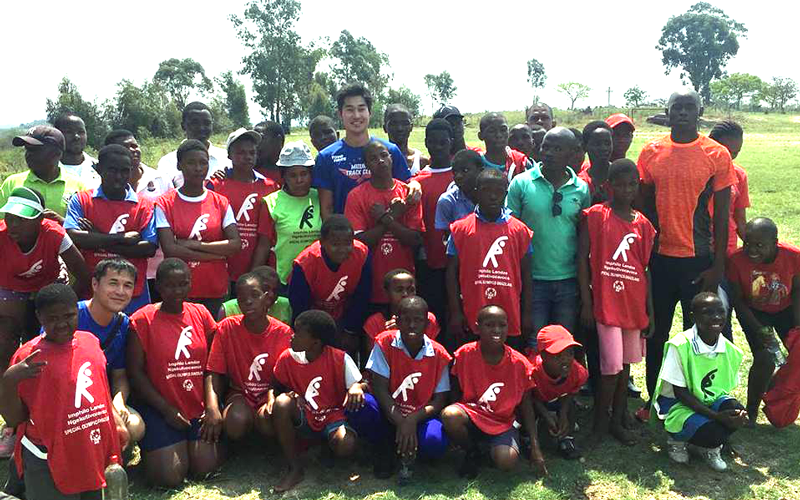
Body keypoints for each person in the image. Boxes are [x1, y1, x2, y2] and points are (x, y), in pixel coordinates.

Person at [636, 89, 735, 419]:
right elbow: (644, 208)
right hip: (661, 261)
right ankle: (656, 401)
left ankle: (700, 402)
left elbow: (722, 216)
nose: (682, 112)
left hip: (699, 262)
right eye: (676, 107)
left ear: (699, 111)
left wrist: (718, 264)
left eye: (688, 107)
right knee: (658, 334)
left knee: (699, 338)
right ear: (667, 111)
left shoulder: (716, 154)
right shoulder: (651, 152)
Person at [0, 283, 127, 500]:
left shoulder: (90, 343)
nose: (62, 324)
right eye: (52, 318)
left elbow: (99, 391)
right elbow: (15, 417)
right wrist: (10, 380)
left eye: (68, 316)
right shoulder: (28, 357)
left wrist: (114, 422)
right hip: (46, 457)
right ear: (39, 317)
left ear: (77, 311)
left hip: (88, 449)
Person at [578, 159, 655, 445]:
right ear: (608, 186)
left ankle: (618, 420)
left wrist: (650, 311)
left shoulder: (644, 225)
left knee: (625, 368)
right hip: (606, 305)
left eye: (631, 184)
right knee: (610, 367)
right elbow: (582, 260)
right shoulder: (596, 215)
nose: (626, 190)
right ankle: (600, 424)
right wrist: (587, 301)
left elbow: (645, 271)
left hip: (633, 307)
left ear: (637, 187)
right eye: (619, 184)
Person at [127, 258, 222, 487]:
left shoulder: (200, 313)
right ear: (158, 286)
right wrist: (166, 410)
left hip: (197, 405)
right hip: (160, 407)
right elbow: (135, 372)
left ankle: (198, 445)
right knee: (169, 478)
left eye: (183, 284)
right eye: (170, 285)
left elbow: (213, 365)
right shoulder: (143, 319)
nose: (177, 291)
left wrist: (212, 406)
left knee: (204, 469)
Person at [507, 127, 591, 346]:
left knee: (563, 344)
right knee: (535, 343)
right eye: (546, 146)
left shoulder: (581, 189)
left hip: (568, 281)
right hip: (532, 280)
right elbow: (510, 233)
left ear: (573, 154)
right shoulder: (521, 184)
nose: (549, 153)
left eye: (557, 148)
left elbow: (584, 237)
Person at [441, 305, 545, 478]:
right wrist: (455, 433)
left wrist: (536, 446)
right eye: (489, 325)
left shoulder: (519, 363)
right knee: (450, 415)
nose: (496, 330)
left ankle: (490, 447)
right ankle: (471, 451)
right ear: (477, 327)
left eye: (502, 325)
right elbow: (455, 391)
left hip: (502, 422)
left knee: (506, 462)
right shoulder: (464, 354)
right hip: (472, 414)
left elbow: (527, 406)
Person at [272, 310, 368, 492]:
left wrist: (356, 387)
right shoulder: (288, 357)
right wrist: (291, 392)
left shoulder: (339, 358)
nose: (292, 336)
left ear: (315, 342)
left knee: (346, 444)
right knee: (281, 403)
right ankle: (295, 468)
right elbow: (276, 386)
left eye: (298, 334)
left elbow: (362, 383)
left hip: (333, 417)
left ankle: (327, 448)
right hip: (305, 415)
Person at [652, 292, 747, 471]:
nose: (716, 317)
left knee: (737, 413)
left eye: (720, 312)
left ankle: (708, 444)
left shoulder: (731, 350)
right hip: (678, 404)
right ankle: (677, 440)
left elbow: (721, 390)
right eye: (707, 312)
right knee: (715, 432)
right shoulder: (679, 345)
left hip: (707, 401)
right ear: (692, 317)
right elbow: (680, 393)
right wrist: (716, 417)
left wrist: (727, 416)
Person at [364, 296, 452, 482]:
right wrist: (401, 421)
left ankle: (410, 450)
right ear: (397, 321)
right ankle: (384, 449)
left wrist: (412, 419)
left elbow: (439, 400)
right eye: (406, 319)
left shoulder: (439, 354)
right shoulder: (384, 342)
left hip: (419, 415)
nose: (412, 325)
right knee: (362, 405)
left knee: (435, 442)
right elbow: (380, 388)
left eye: (418, 320)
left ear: (427, 323)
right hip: (388, 411)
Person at [0, 187, 89, 369]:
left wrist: (65, 302)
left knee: (45, 335)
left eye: (22, 219)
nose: (13, 224)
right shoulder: (1, 234)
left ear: (40, 220)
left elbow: (83, 275)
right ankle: (8, 381)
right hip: (10, 286)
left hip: (47, 285)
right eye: (10, 217)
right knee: (6, 336)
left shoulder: (54, 234)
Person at [447, 168, 533, 351]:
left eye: (499, 191)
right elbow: (451, 273)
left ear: (506, 193)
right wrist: (456, 312)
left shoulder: (519, 230)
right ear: (476, 192)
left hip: (509, 312)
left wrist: (526, 314)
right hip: (472, 311)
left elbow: (527, 275)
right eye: (487, 191)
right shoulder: (461, 229)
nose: (493, 196)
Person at [64, 144, 157, 313]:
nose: (119, 176)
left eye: (125, 171)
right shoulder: (82, 200)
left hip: (134, 293)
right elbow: (73, 237)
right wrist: (122, 239)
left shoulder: (145, 206)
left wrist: (96, 237)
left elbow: (149, 248)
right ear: (99, 169)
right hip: (92, 292)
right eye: (112, 170)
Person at [155, 140, 241, 317]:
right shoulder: (164, 203)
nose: (198, 168)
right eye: (191, 163)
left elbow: (235, 245)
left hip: (216, 288)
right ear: (180, 165)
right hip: (180, 290)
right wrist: (216, 255)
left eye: (203, 163)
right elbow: (170, 249)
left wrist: (194, 245)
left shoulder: (220, 202)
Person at [726, 217, 800, 424]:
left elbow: (797, 290)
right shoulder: (736, 260)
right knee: (765, 358)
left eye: (760, 245)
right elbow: (738, 301)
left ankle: (773, 391)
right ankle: (751, 410)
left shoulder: (793, 256)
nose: (752, 249)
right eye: (747, 243)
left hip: (785, 309)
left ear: (775, 243)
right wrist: (760, 330)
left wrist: (797, 325)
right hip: (754, 311)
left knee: (797, 354)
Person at [206, 271, 292, 443]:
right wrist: (212, 407)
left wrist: (273, 397)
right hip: (240, 393)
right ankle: (245, 432)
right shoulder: (227, 328)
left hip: (269, 393)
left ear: (267, 298)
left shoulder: (283, 333)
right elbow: (213, 371)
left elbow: (290, 376)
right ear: (237, 302)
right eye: (243, 298)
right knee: (235, 422)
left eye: (255, 295)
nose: (249, 302)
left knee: (267, 423)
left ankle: (260, 432)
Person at [313, 83, 413, 218]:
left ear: (369, 112)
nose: (356, 115)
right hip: (345, 236)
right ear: (340, 114)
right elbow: (326, 209)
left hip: (388, 235)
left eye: (361, 109)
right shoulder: (326, 157)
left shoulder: (390, 151)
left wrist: (415, 184)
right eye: (349, 110)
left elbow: (406, 189)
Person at [344, 140, 423, 306]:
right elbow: (359, 243)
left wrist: (386, 218)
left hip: (405, 285)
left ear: (391, 158)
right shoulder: (356, 195)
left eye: (384, 155)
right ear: (367, 165)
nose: (380, 160)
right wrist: (393, 215)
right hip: (370, 282)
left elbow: (415, 240)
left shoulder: (408, 193)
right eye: (373, 158)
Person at [78, 259, 146, 447]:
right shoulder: (71, 316)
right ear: (95, 284)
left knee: (135, 427)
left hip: (102, 395)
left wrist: (118, 401)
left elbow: (119, 374)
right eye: (113, 283)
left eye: (127, 286)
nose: (120, 292)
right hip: (72, 397)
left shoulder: (123, 324)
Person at [287, 215, 371, 354]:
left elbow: (362, 296)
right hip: (313, 321)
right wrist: (313, 337)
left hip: (345, 318)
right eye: (335, 244)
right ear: (322, 242)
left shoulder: (361, 254)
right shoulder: (305, 263)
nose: (342, 249)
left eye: (347, 243)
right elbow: (300, 306)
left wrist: (350, 330)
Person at [104, 129, 171, 299]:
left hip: (157, 269)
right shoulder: (103, 185)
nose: (133, 150)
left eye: (135, 145)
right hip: (116, 270)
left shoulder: (159, 179)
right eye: (126, 147)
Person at [208, 128, 278, 288]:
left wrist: (253, 274)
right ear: (229, 155)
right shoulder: (216, 185)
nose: (247, 157)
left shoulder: (269, 187)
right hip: (220, 270)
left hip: (255, 270)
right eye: (240, 152)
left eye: (252, 152)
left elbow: (265, 237)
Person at [251, 141, 321, 286]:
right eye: (293, 175)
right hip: (284, 279)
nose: (299, 180)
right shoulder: (271, 203)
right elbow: (263, 245)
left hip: (317, 277)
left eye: (304, 174)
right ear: (284, 176)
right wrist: (252, 279)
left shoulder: (320, 197)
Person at [413, 119, 454, 331]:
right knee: (436, 319)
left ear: (451, 142)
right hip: (431, 262)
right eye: (433, 143)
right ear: (426, 144)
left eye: (443, 142)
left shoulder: (461, 174)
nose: (438, 147)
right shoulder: (417, 182)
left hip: (460, 263)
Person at [1, 126, 85, 223]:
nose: (28, 155)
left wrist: (62, 222)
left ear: (57, 154)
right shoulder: (12, 183)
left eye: (35, 150)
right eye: (27, 149)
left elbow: (84, 228)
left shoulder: (79, 187)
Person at [529, 325, 588, 458]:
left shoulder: (578, 372)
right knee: (527, 413)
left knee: (571, 409)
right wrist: (546, 415)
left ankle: (566, 437)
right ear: (543, 355)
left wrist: (563, 413)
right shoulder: (531, 371)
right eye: (558, 355)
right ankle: (528, 438)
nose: (565, 359)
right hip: (536, 402)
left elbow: (572, 391)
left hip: (557, 399)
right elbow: (529, 399)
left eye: (570, 353)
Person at [156, 102, 232, 187]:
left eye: (207, 123)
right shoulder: (168, 162)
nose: (201, 128)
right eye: (195, 123)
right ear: (183, 126)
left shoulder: (227, 158)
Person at [363, 269, 440, 352]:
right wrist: (391, 336)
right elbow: (374, 360)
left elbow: (432, 354)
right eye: (399, 290)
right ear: (387, 292)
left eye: (410, 290)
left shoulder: (427, 318)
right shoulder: (375, 322)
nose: (405, 294)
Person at [709, 120, 749, 254]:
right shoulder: (695, 171)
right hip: (697, 246)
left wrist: (755, 246)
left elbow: (740, 220)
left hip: (727, 248)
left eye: (735, 153)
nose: (729, 157)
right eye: (725, 151)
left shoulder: (739, 175)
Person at [217, 266, 292, 324]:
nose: (271, 294)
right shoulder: (229, 309)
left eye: (275, 290)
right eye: (266, 288)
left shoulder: (286, 306)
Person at [435, 149, 483, 236]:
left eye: (465, 170)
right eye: (455, 172)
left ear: (480, 171)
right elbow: (447, 238)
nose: (458, 176)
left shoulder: (490, 195)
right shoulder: (447, 201)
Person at [54, 113, 101, 189]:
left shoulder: (99, 168)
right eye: (69, 132)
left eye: (81, 132)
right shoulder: (49, 171)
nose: (76, 136)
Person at [479, 113, 529, 181]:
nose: (499, 135)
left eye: (503, 130)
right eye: (492, 131)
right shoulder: (476, 163)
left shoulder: (521, 161)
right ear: (480, 136)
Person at [384, 104, 429, 174]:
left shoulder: (421, 161)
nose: (400, 128)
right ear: (385, 128)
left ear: (411, 127)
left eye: (405, 123)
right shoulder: (378, 161)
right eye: (394, 123)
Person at [578, 121, 614, 205]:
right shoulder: (580, 183)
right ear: (585, 146)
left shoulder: (621, 177)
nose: (604, 148)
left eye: (607, 143)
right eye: (597, 144)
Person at [253, 120, 285, 185]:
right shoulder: (250, 169)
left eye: (261, 138)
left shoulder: (292, 170)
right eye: (254, 140)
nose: (256, 144)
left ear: (278, 140)